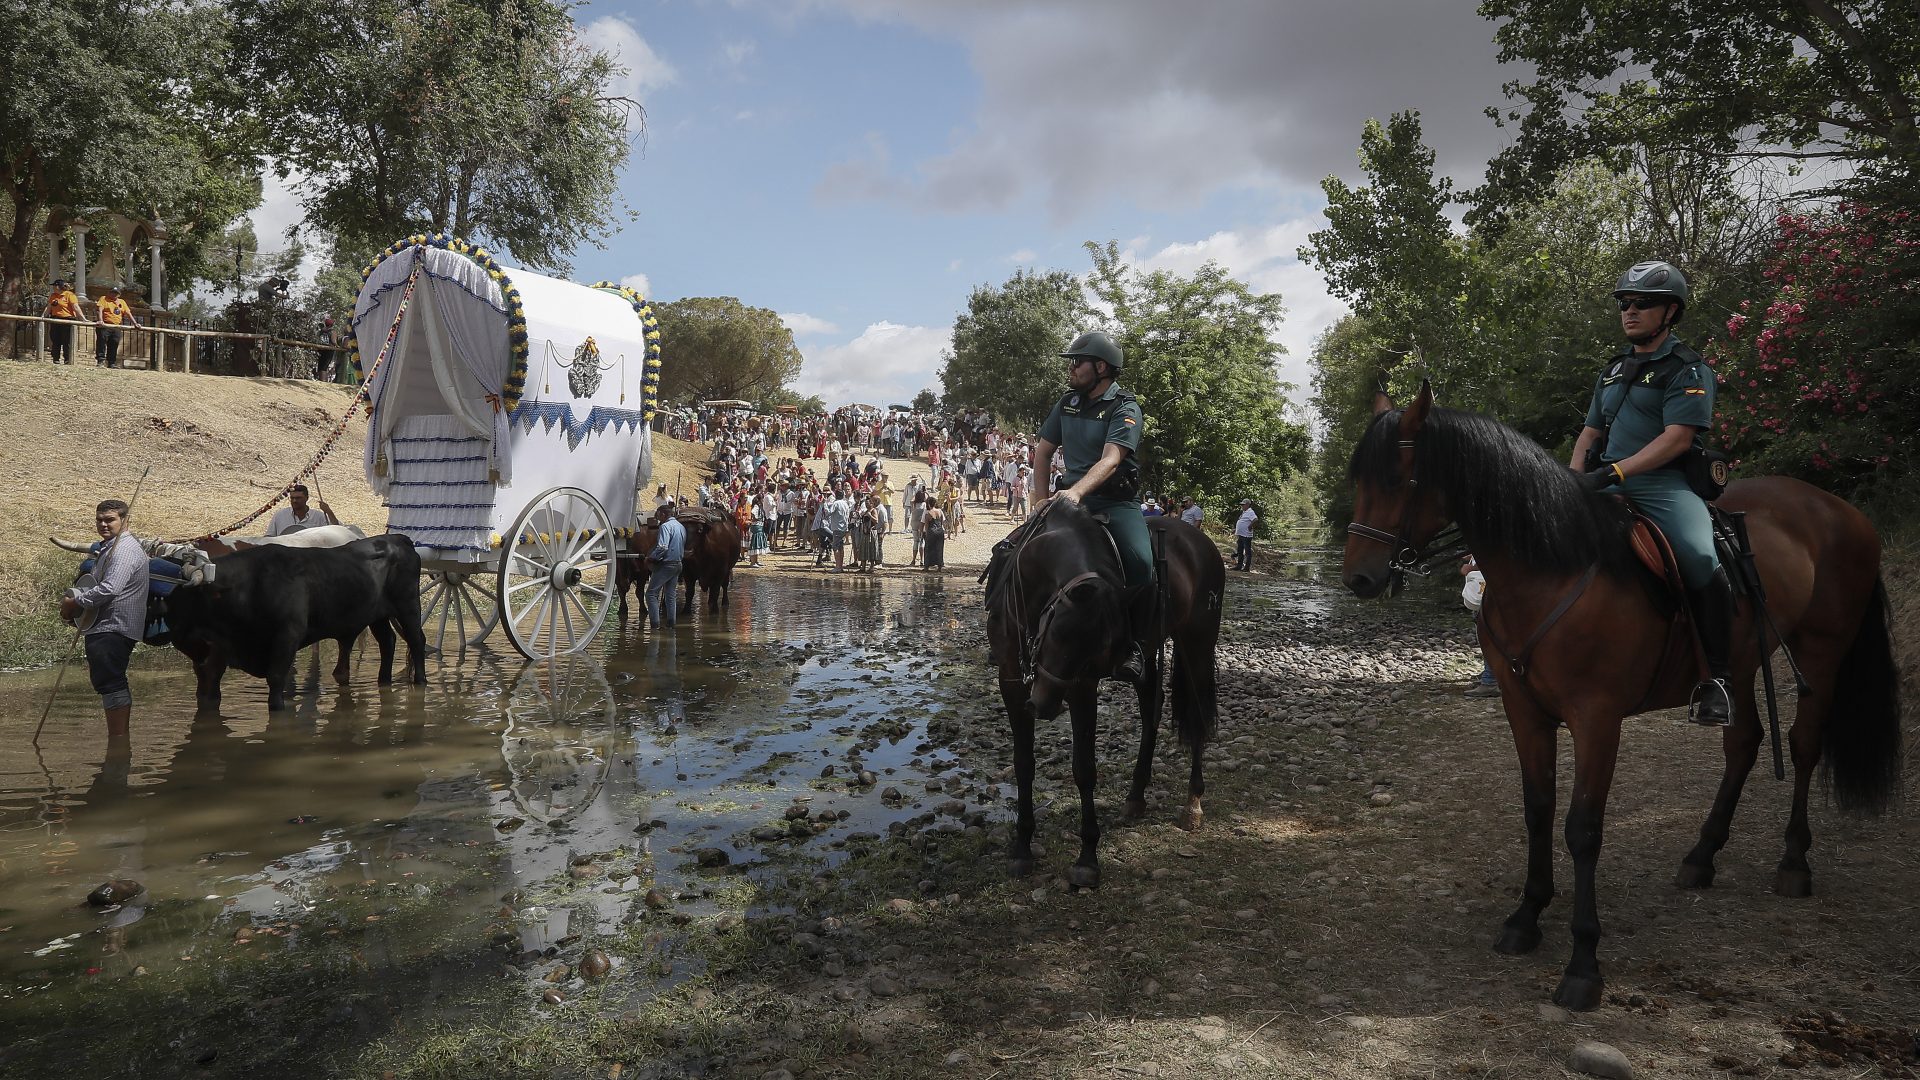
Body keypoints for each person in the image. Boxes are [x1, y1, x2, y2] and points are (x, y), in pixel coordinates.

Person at [1569, 259, 1732, 726]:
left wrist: (1617, 472)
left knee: (1701, 557)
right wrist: (1574, 478)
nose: (1631, 311)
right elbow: (1589, 435)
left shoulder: (1688, 369)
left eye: (1644, 304)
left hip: (1662, 485)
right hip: (1605, 482)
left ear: (1671, 313)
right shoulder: (1614, 370)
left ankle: (1718, 679)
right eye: (1625, 303)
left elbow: (1678, 439)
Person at [1034, 330, 1152, 685]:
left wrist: (1077, 493)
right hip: (1068, 499)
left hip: (1114, 501)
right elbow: (1042, 452)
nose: (1071, 369)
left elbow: (1112, 459)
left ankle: (1136, 646)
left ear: (1100, 367)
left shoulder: (1125, 408)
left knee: (1141, 563)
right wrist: (1039, 500)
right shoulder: (1067, 403)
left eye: (1076, 362)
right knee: (1012, 549)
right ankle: (1015, 628)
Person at [60, 499, 148, 742]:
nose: (103, 524)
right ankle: (118, 740)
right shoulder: (111, 547)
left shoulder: (123, 551)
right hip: (103, 624)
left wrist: (74, 603)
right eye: (99, 519)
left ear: (125, 521)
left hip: (114, 625)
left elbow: (110, 588)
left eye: (109, 519)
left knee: (110, 681)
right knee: (106, 680)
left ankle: (119, 742)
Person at [1460, 554, 1500, 697]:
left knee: (1488, 634)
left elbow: (1493, 554)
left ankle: (1490, 681)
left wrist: (1472, 569)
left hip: (1489, 588)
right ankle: (1492, 675)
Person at [645, 505, 686, 630]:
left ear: (663, 514)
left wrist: (651, 557)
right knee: (670, 594)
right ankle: (670, 624)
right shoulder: (681, 527)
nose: (657, 517)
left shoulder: (665, 526)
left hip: (667, 564)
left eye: (658, 515)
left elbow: (663, 547)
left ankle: (655, 626)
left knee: (651, 594)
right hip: (678, 563)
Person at [94, 284, 140, 368]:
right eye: (112, 292)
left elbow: (128, 313)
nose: (114, 294)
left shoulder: (122, 302)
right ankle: (100, 361)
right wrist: (100, 320)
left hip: (117, 326)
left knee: (114, 343)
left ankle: (111, 363)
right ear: (109, 292)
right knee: (101, 343)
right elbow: (100, 310)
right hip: (105, 325)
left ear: (119, 294)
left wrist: (135, 323)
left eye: (116, 293)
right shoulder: (103, 299)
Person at [267, 484, 339, 536]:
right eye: (292, 498)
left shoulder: (319, 516)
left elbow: (337, 530)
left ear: (306, 498)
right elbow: (269, 536)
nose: (294, 501)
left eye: (298, 498)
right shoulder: (280, 515)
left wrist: (329, 512)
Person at [42, 278, 82, 365]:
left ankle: (67, 360)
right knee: (55, 340)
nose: (53, 288)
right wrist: (43, 317)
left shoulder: (70, 295)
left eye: (54, 286)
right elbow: (49, 307)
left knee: (66, 341)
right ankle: (55, 359)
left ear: (58, 286)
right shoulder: (53, 296)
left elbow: (76, 307)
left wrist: (83, 318)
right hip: (55, 319)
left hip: (67, 320)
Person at [1233, 499, 1258, 571]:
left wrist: (1250, 526)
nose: (1242, 506)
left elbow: (1255, 519)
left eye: (1243, 505)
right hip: (1241, 534)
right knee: (1240, 551)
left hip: (1246, 535)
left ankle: (1247, 567)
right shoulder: (1244, 512)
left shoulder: (1250, 512)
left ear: (1247, 505)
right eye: (1242, 505)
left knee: (1247, 552)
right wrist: (1236, 529)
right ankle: (1239, 566)